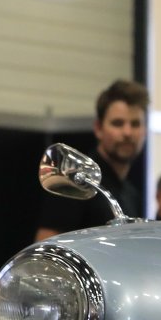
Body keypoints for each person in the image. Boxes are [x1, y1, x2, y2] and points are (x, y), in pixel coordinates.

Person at [36, 78, 149, 239]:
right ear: (98, 128)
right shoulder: (76, 181)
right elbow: (47, 245)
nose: (127, 132)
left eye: (135, 124)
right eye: (118, 123)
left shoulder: (132, 194)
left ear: (145, 130)